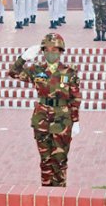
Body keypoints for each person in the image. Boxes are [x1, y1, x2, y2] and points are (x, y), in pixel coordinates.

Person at [8, 33, 81, 187]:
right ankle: (46, 195)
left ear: (61, 51)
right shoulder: (36, 69)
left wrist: (75, 121)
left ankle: (59, 195)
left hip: (62, 120)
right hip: (41, 119)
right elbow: (13, 73)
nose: (50, 52)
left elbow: (75, 98)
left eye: (54, 49)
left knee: (60, 160)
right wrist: (24, 58)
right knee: (45, 160)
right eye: (47, 49)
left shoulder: (69, 71)